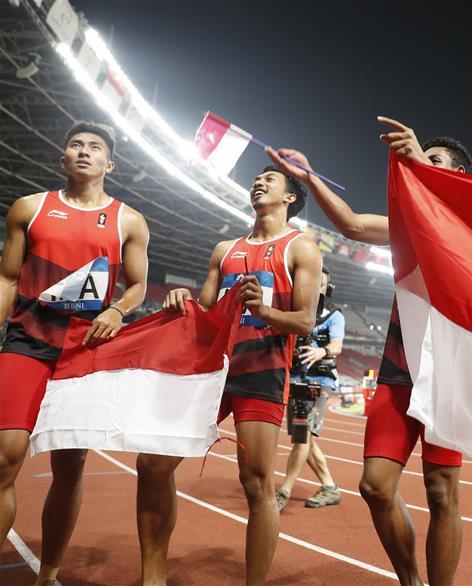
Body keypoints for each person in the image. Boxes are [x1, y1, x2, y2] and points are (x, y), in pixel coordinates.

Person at [265, 118, 472, 586]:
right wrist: (309, 177)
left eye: (436, 162)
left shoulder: (471, 222)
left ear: (457, 175)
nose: (423, 167)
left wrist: (417, 160)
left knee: (442, 494)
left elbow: (449, 222)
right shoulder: (405, 229)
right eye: (424, 160)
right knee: (374, 487)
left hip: (449, 378)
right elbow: (352, 225)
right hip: (399, 373)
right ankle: (410, 580)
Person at [135, 166, 322, 586]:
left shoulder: (301, 248)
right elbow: (203, 315)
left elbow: (306, 322)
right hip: (211, 371)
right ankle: (153, 577)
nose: (259, 181)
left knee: (256, 484)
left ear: (290, 198)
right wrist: (179, 301)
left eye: (270, 179)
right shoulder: (225, 249)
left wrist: (264, 311)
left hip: (262, 371)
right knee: (152, 464)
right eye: (258, 178)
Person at [0, 121, 149, 585]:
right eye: (75, 144)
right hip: (26, 340)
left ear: (110, 163)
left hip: (84, 351)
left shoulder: (129, 219)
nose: (84, 151)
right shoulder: (30, 208)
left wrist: (120, 311)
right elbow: (7, 278)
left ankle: (47, 575)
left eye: (95, 147)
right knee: (6, 456)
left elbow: (139, 285)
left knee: (70, 464)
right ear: (63, 157)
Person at [276, 265, 344, 511]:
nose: (318, 286)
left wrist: (321, 351)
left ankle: (284, 490)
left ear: (328, 288)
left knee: (302, 436)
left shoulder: (334, 316)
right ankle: (329, 486)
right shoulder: (295, 313)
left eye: (322, 283)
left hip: (318, 383)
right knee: (304, 437)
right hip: (294, 380)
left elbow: (336, 346)